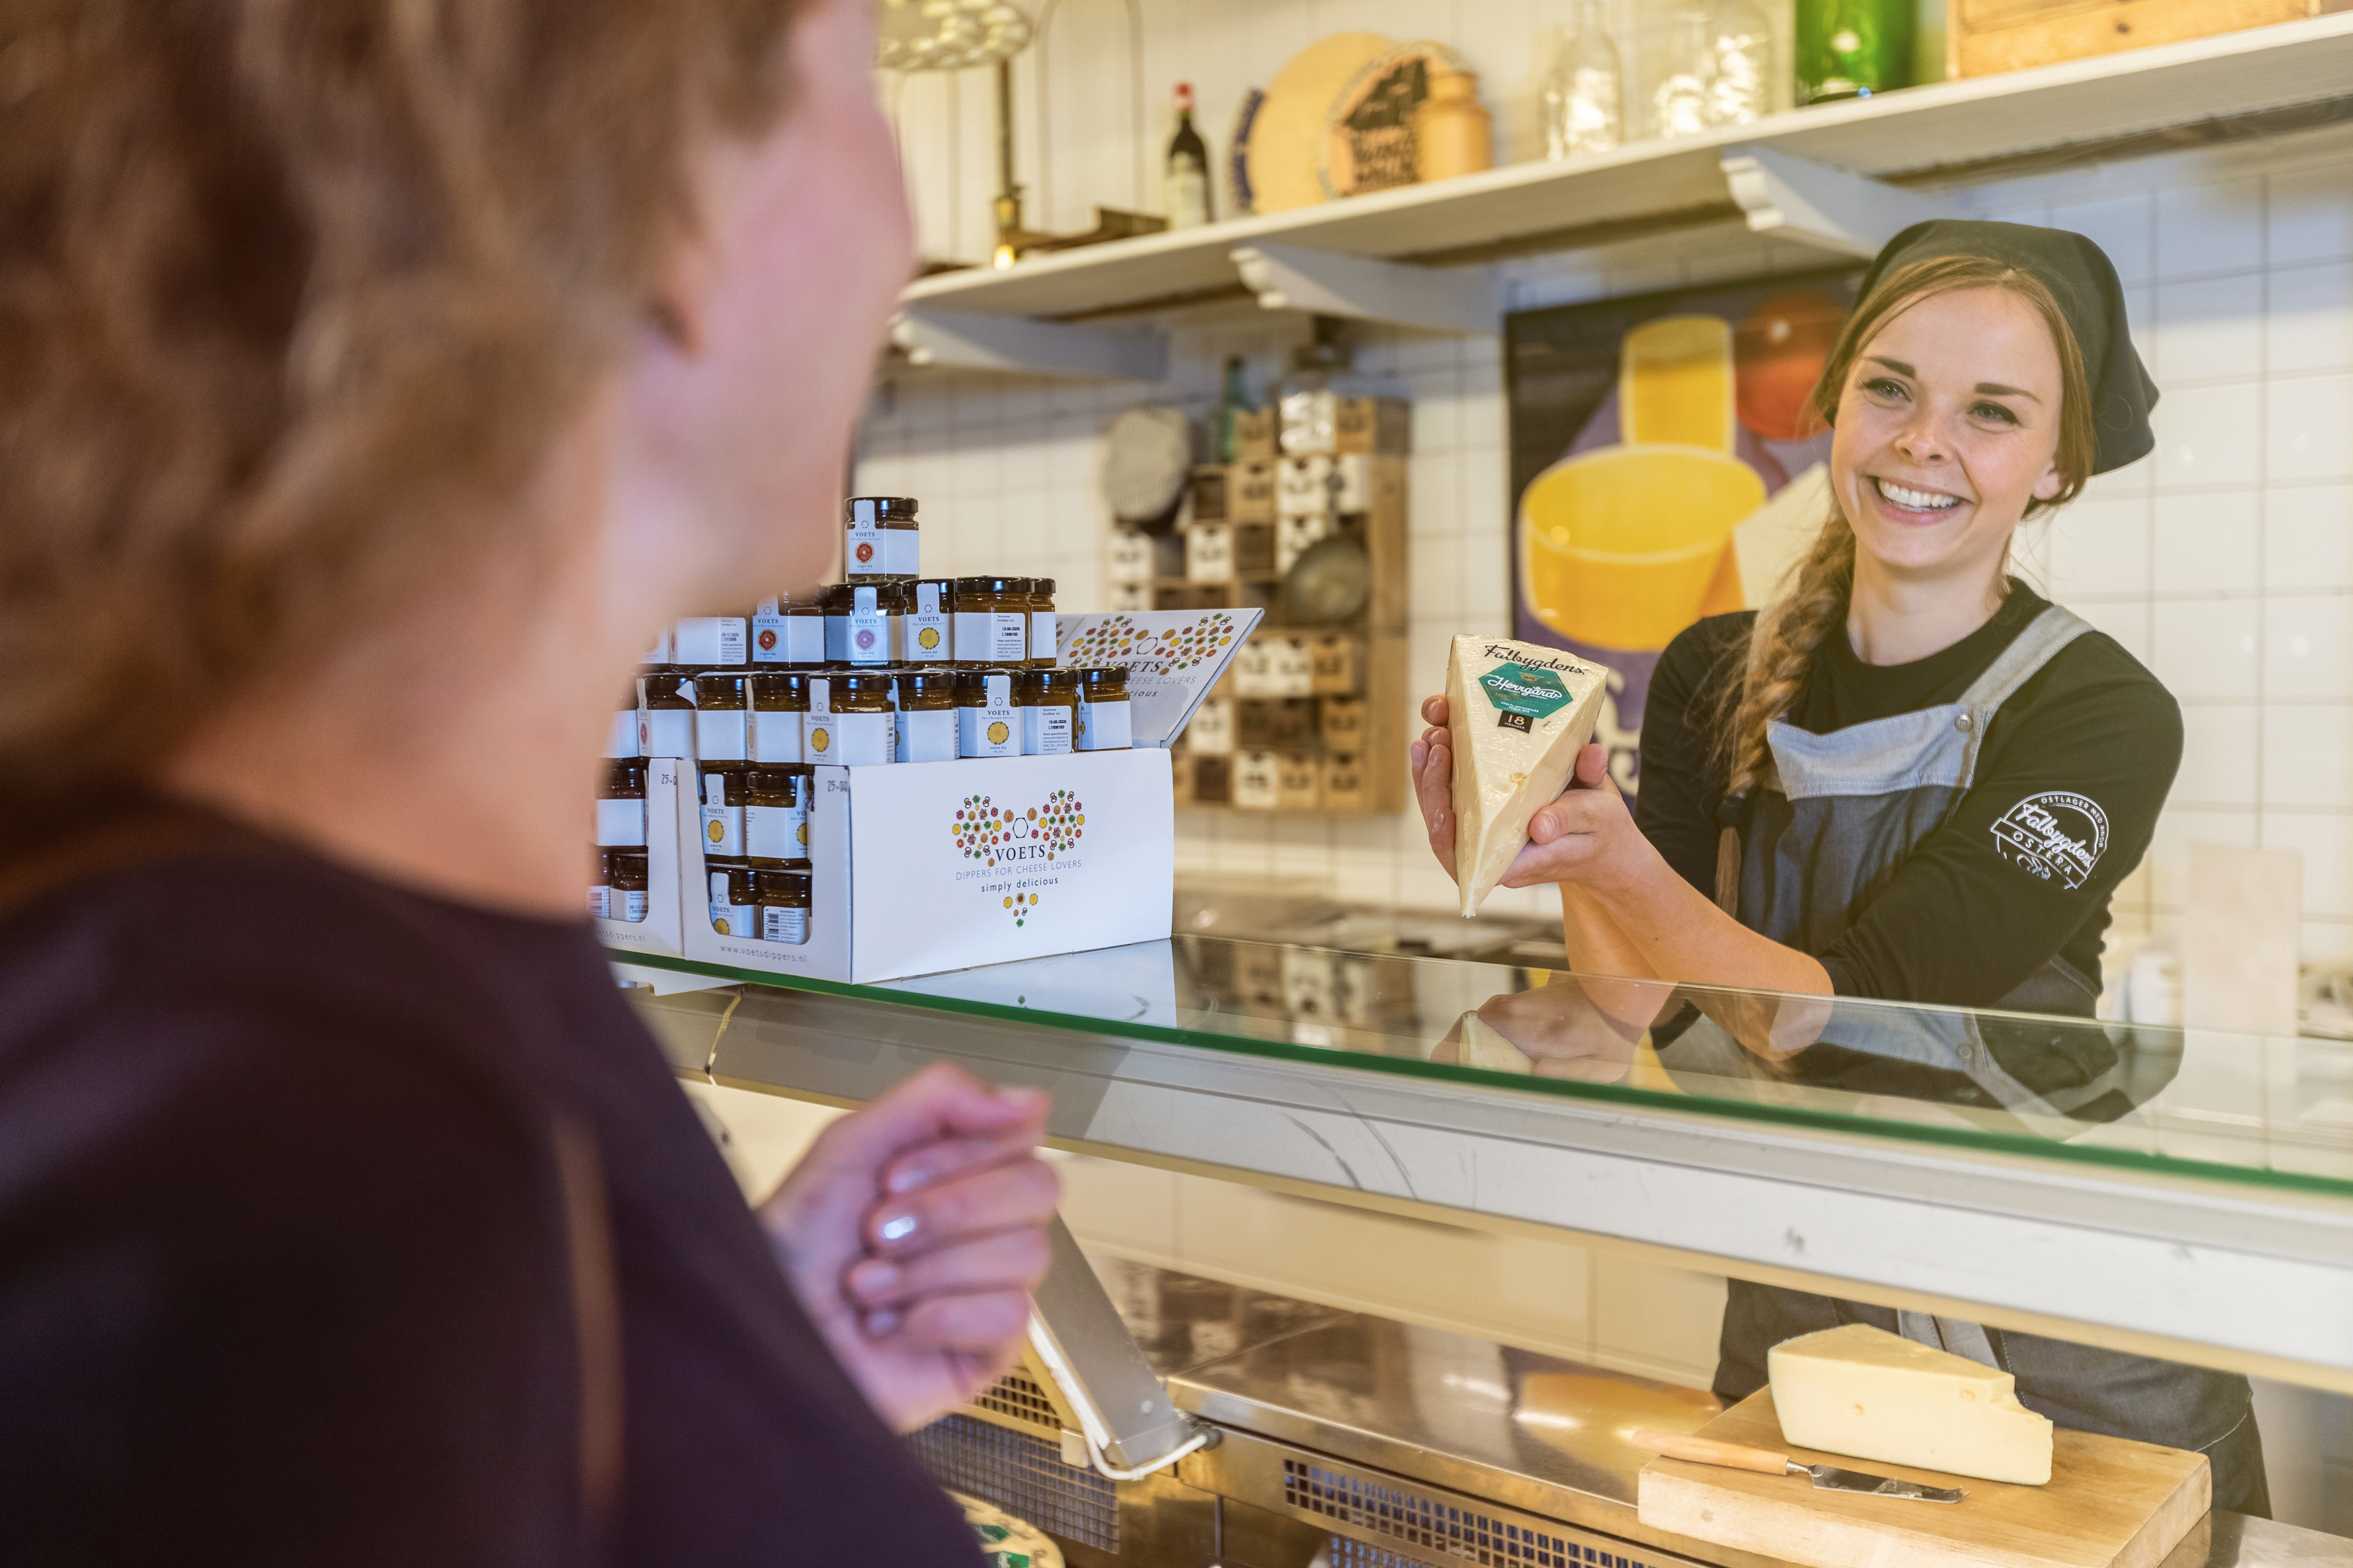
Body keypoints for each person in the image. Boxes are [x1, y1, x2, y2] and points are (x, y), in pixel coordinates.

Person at [0, 0, 1058, 1561]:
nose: (908, 244)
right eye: (862, 89)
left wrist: (736, 1389)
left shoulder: (309, 1014)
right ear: (677, 215)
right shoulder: (296, 1121)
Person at [1409, 221, 2268, 1512]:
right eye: (1890, 387)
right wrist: (1545, 836)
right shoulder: (1713, 668)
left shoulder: (2102, 710)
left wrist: (1618, 862)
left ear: (2054, 468)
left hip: (2060, 1331)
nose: (1927, 440)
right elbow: (1641, 1001)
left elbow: (1841, 1004)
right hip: (1805, 1299)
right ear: (1832, 408)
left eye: (1992, 411)